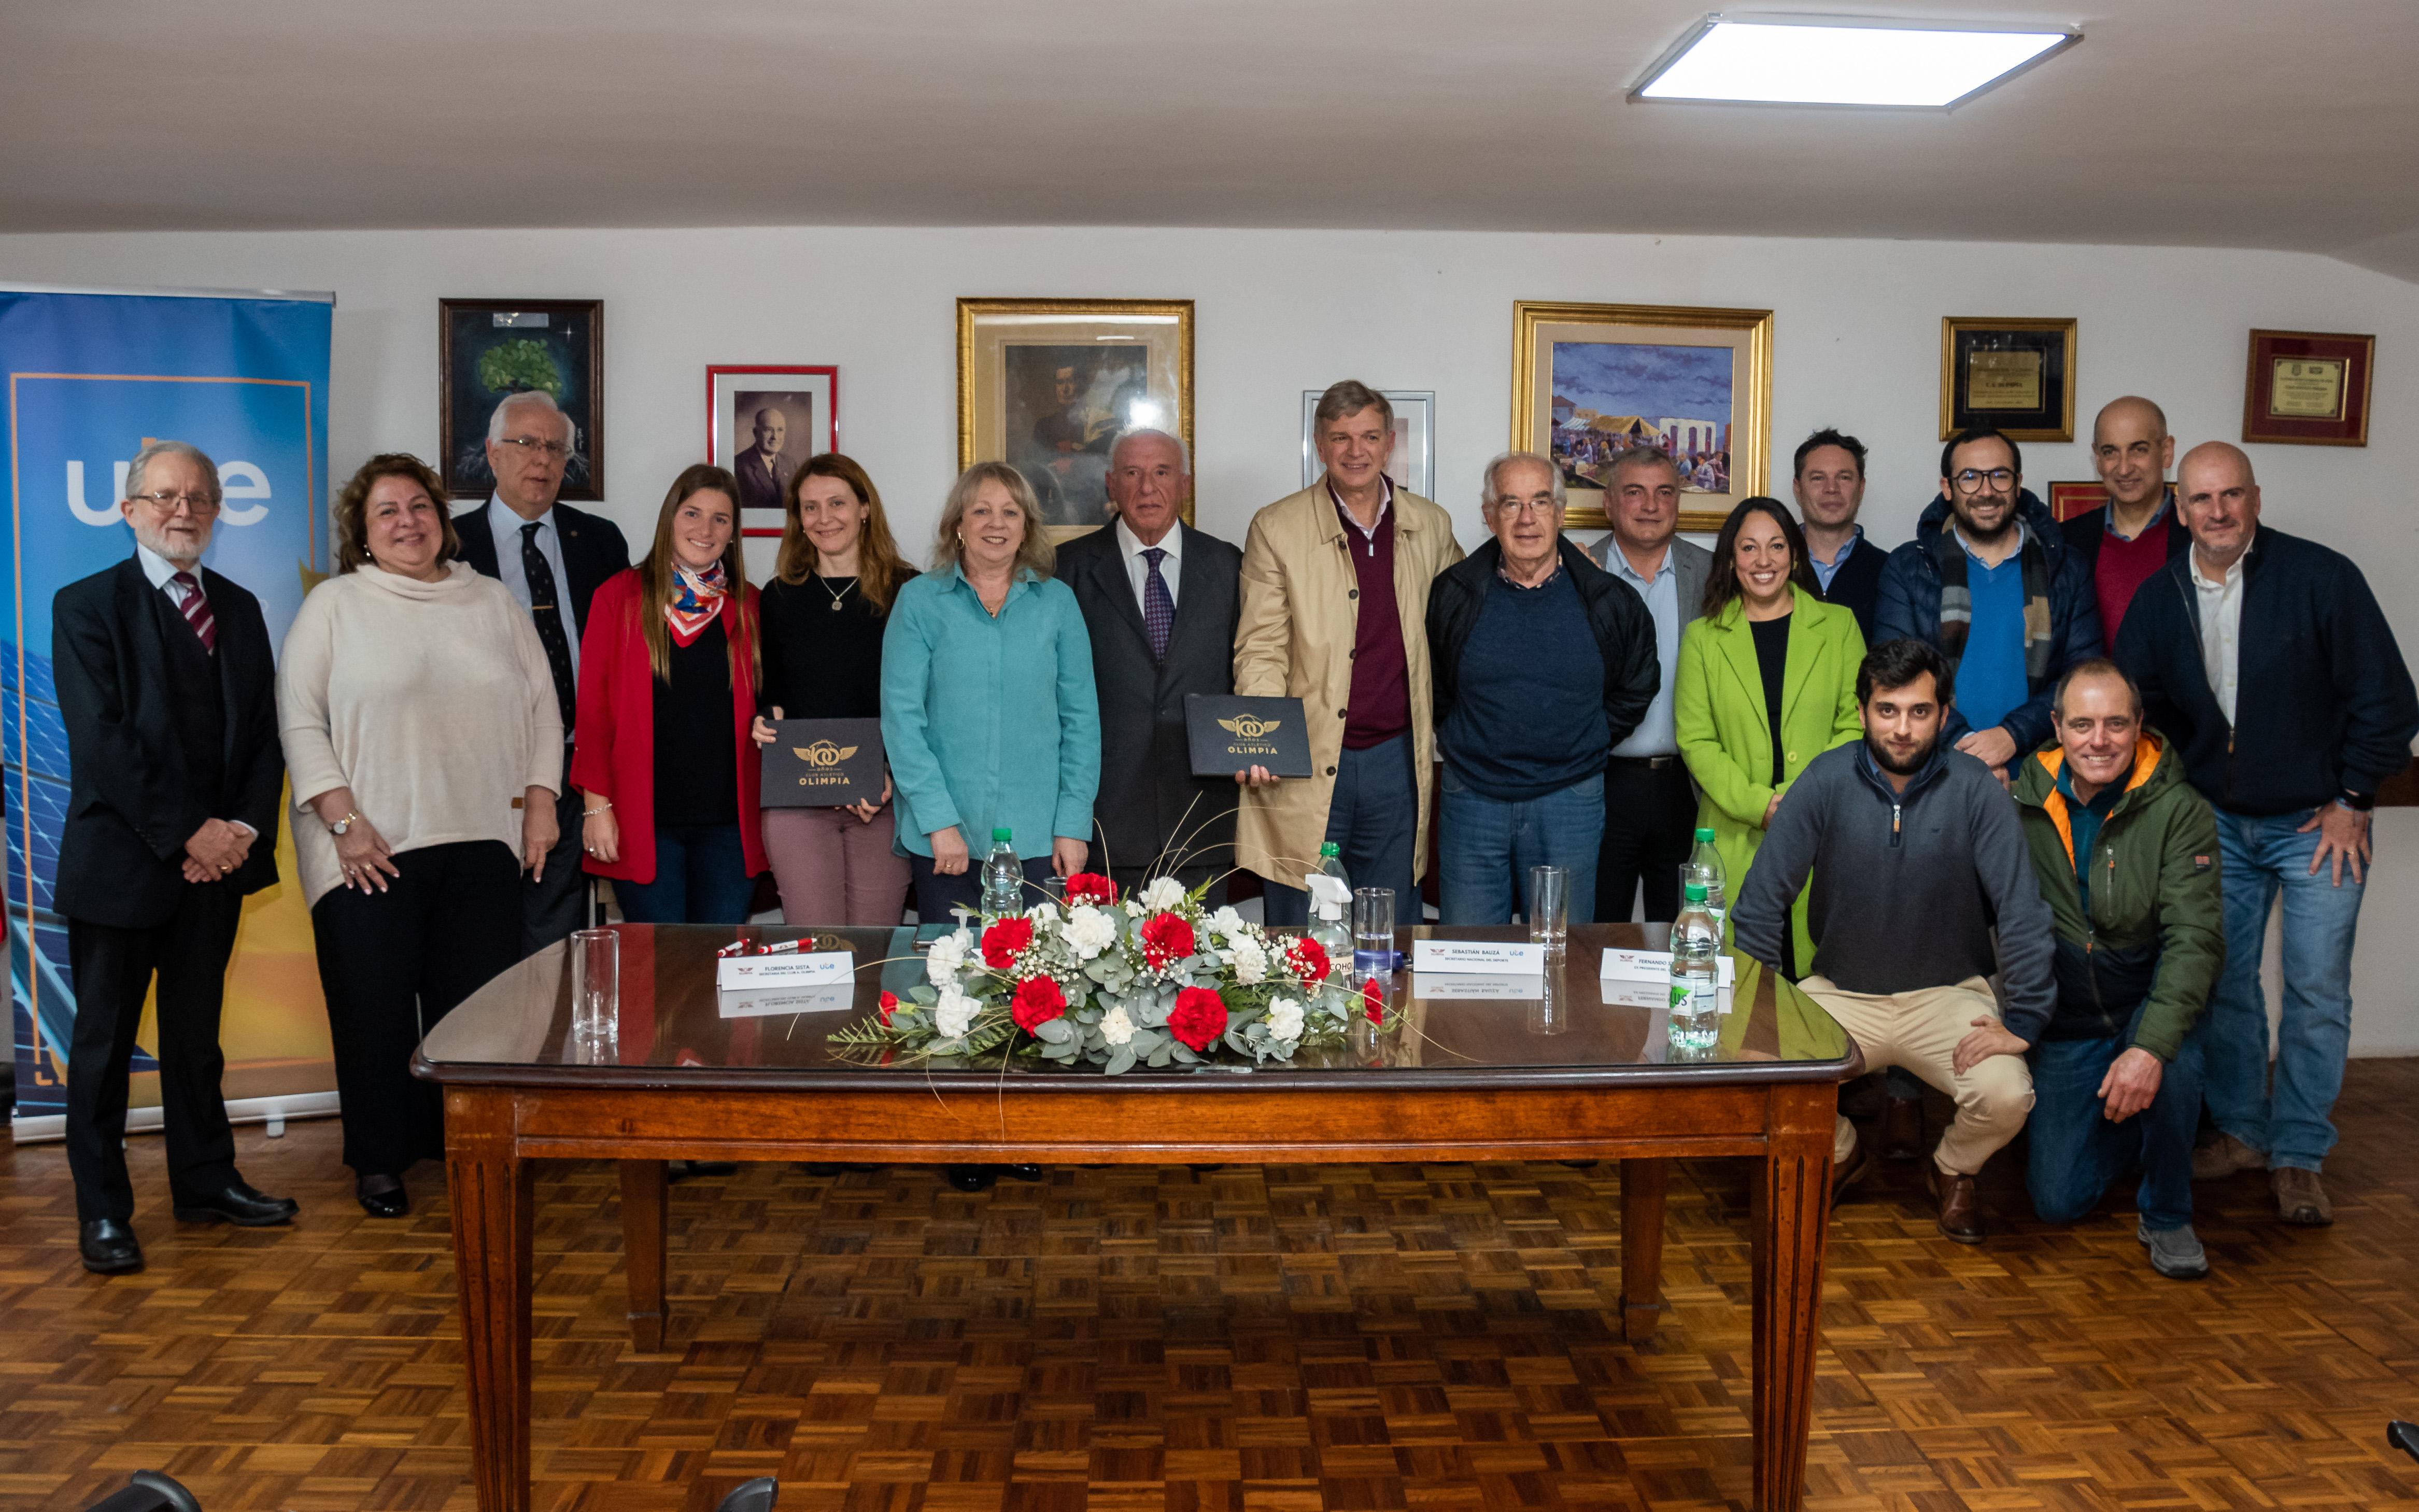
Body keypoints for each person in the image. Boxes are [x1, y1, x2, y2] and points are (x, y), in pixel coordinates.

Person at [2115, 442, 2419, 1226]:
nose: (2215, 513)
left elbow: (2387, 700)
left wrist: (2353, 796)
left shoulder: (2322, 578)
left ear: (2254, 498)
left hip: (2319, 824)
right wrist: (2178, 790)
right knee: (2222, 984)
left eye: (2230, 496)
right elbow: (2137, 706)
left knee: (2315, 988)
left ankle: (2298, 1153)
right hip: (2216, 822)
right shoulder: (2160, 597)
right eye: (2199, 500)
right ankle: (2244, 1133)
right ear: (2177, 508)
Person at [279, 453, 561, 1218]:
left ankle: (462, 1142)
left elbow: (543, 710)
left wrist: (540, 804)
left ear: (442, 517)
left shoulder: (493, 601)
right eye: (387, 512)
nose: (407, 522)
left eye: (419, 506)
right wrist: (342, 820)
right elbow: (301, 720)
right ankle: (379, 1160)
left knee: (474, 1017)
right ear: (363, 534)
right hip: (369, 849)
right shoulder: (335, 606)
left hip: (479, 841)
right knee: (372, 1014)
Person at [52, 442, 299, 1275]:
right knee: (103, 1049)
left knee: (196, 1040)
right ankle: (105, 1214)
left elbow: (263, 738)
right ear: (129, 511)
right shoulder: (85, 606)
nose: (183, 510)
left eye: (199, 497)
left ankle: (205, 1182)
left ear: (218, 510)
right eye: (164, 497)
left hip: (216, 867)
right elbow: (104, 744)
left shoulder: (239, 605)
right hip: (122, 866)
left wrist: (238, 833)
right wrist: (191, 832)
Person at [1733, 638, 2053, 1241]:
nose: (1902, 729)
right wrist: (1760, 1007)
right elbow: (1758, 905)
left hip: (1949, 998)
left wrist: (2027, 1018)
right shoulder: (1824, 780)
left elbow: (2020, 908)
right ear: (1862, 711)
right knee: (1747, 1067)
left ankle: (1952, 1168)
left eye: (1918, 711)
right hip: (1844, 996)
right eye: (1887, 710)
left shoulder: (1975, 787)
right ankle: (1842, 1151)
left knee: (2007, 1093)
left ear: (1943, 711)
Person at [2011, 659, 2218, 1278]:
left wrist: (2148, 1049)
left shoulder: (2179, 809)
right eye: (2080, 724)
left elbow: (2195, 939)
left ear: (2137, 727)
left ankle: (2166, 1212)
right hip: (2069, 1017)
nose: (2097, 740)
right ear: (2055, 727)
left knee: (2171, 1064)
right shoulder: (2021, 797)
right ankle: (2150, 1131)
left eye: (2114, 724)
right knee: (2054, 1200)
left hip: (2144, 998)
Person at [1235, 380, 1462, 922]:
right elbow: (1261, 645)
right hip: (1305, 757)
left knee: (1389, 933)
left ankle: (1388, 1013)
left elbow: (1468, 618)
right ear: (1319, 445)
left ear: (1388, 445)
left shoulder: (1430, 525)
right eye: (1340, 437)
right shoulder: (1276, 527)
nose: (1355, 451)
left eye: (1368, 437)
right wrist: (1262, 739)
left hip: (1396, 762)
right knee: (1300, 932)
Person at [1425, 452, 1655, 925]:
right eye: (1511, 504)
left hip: (1569, 799)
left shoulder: (1607, 600)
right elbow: (1435, 686)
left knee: (1561, 955)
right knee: (1468, 957)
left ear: (1560, 512)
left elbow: (1635, 687)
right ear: (1490, 516)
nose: (1526, 518)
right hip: (1473, 797)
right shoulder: (1453, 593)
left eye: (1540, 501)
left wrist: (1587, 736)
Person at [452, 389, 631, 954]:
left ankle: (547, 1040)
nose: (542, 460)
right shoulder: (451, 545)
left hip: (578, 769)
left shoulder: (601, 541)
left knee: (554, 940)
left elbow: (625, 658)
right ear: (492, 452)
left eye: (556, 448)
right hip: (484, 771)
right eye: (526, 443)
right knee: (478, 931)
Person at [883, 461, 1099, 923]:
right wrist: (938, 822)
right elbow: (903, 722)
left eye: (1010, 512)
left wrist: (1073, 826)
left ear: (1027, 528)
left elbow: (1081, 723)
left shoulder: (1058, 603)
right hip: (945, 836)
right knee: (950, 981)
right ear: (958, 525)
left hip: (1042, 839)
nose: (996, 524)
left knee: (1037, 984)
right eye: (981, 511)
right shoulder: (919, 602)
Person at [1672, 497, 1865, 975]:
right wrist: (1760, 804)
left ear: (1794, 555)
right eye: (1749, 548)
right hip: (1735, 829)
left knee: (1817, 979)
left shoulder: (1838, 626)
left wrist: (1804, 801)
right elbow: (1696, 739)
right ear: (1731, 559)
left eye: (1777, 546)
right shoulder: (1703, 636)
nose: (1764, 561)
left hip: (1825, 826)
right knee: (1738, 982)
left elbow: (1856, 722)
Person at [573, 465, 767, 924]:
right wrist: (595, 806)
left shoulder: (753, 606)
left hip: (728, 826)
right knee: (655, 971)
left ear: (734, 533)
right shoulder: (618, 598)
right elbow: (594, 713)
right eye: (693, 513)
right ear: (669, 519)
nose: (705, 529)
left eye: (721, 519)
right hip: (644, 823)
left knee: (719, 967)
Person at [1056, 428, 1244, 899]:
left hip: (1202, 816)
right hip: (1104, 820)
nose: (1147, 488)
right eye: (1132, 474)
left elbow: (1250, 671)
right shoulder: (1065, 569)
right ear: (1110, 484)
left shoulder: (1229, 565)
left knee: (1203, 971)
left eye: (1161, 472)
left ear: (1185, 484)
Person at [1875, 426, 2101, 779]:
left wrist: (2013, 734)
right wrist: (1967, 748)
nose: (1986, 491)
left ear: (2018, 482)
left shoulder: (2066, 568)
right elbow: (1896, 677)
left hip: (2042, 776)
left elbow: (2083, 677)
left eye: (1999, 476)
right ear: (1947, 487)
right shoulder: (1907, 568)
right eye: (1969, 477)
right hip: (1933, 773)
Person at [747, 454, 916, 925]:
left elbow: (927, 703)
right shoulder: (779, 596)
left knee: (871, 955)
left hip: (882, 799)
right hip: (799, 802)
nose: (825, 519)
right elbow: (775, 691)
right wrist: (765, 718)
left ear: (865, 508)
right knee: (815, 955)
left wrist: (889, 777)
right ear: (798, 520)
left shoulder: (910, 591)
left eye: (837, 503)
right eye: (810, 508)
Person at [1583, 445, 1709, 924]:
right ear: (1609, 503)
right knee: (1594, 928)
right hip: (1601, 781)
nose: (1651, 506)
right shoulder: (1577, 571)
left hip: (1687, 784)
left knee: (1681, 929)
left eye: (1664, 493)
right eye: (1634, 492)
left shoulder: (1713, 573)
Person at [2063, 396, 2188, 652]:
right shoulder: (2066, 541)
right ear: (2098, 459)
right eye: (2110, 452)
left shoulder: (2200, 537)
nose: (2124, 469)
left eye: (2138, 449)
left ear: (2167, 452)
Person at [1791, 428, 1885, 644]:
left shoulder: (1891, 571)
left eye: (1844, 477)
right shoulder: (1770, 568)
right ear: (1798, 489)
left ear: (1861, 488)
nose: (1831, 488)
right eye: (1817, 478)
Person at [732, 405, 797, 516]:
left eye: (780, 430)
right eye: (768, 430)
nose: (775, 437)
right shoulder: (738, 466)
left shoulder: (790, 464)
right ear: (756, 433)